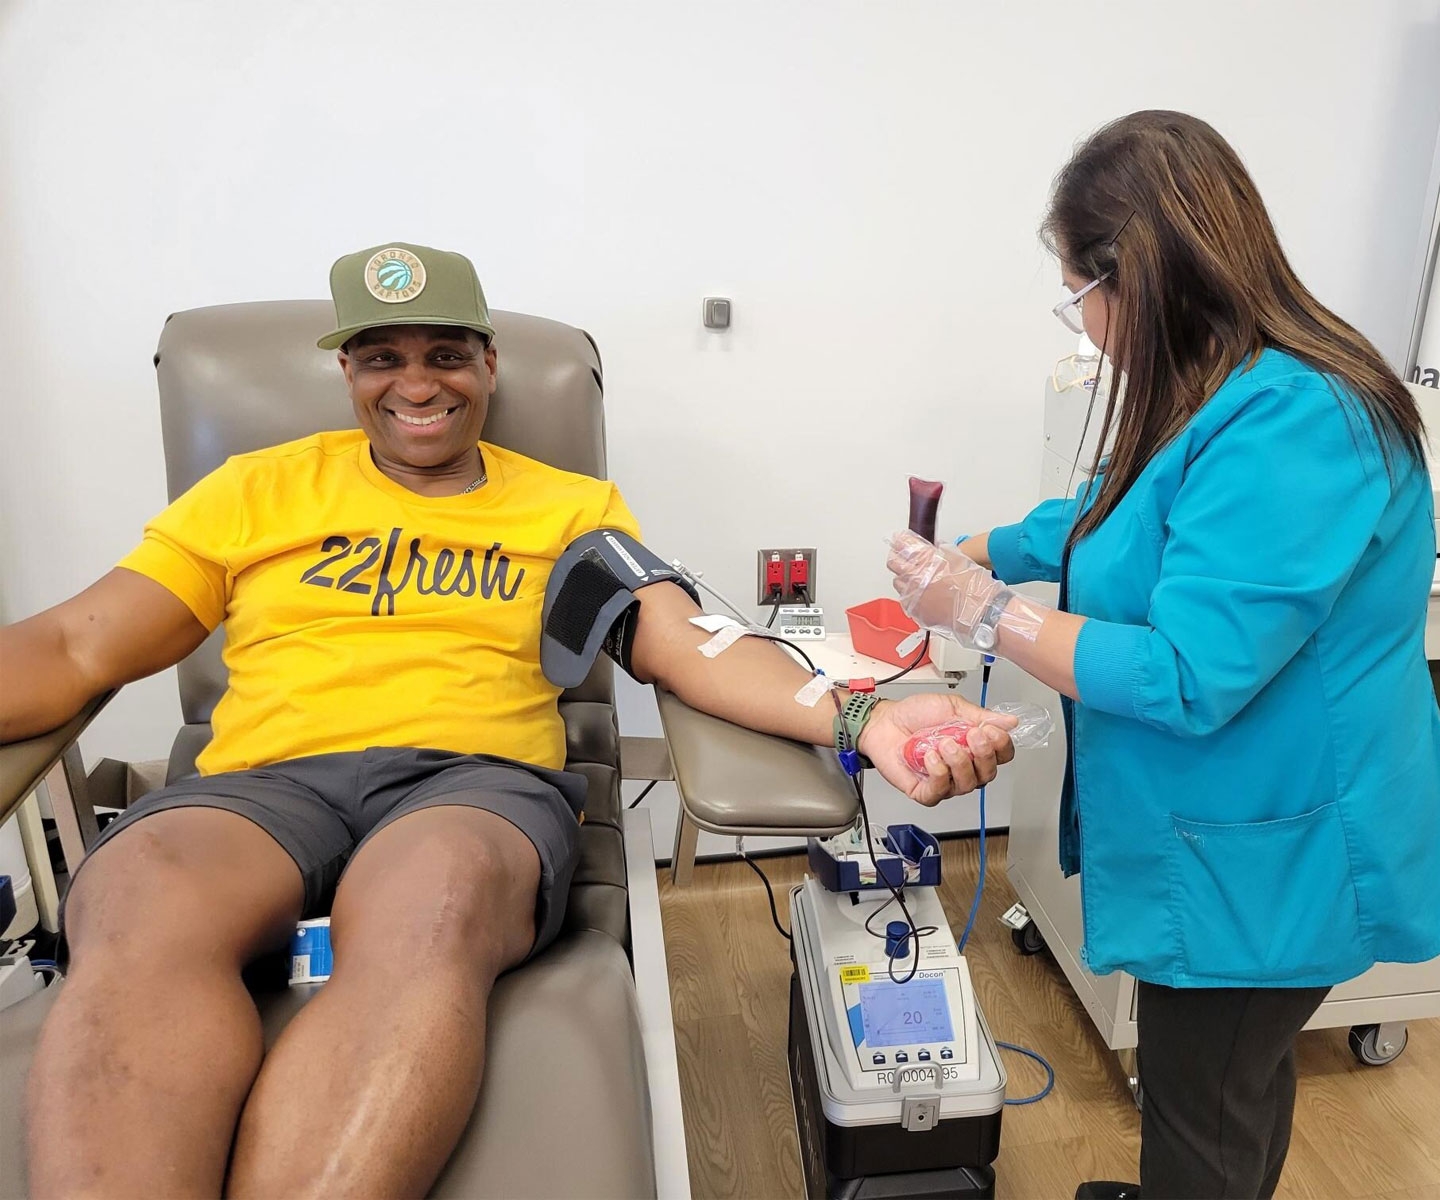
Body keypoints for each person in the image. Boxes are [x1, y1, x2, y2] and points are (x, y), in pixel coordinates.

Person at [0, 241, 1017, 1198]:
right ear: (347, 371)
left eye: (446, 354)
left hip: (469, 785)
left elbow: (685, 644)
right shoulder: (255, 492)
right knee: (130, 898)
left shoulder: (568, 510)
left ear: (488, 363)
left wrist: (866, 717)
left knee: (430, 903)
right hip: (263, 783)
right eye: (382, 357)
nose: (417, 383)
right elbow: (74, 647)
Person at [887, 111, 1440, 1200]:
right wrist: (980, 551)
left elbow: (1189, 672)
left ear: (1132, 274)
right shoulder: (1221, 391)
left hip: (1279, 854)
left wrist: (988, 612)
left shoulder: (1299, 417)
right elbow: (1117, 511)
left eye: (1077, 294)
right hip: (1230, 829)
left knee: (1212, 1098)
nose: (1083, 325)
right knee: (1225, 1081)